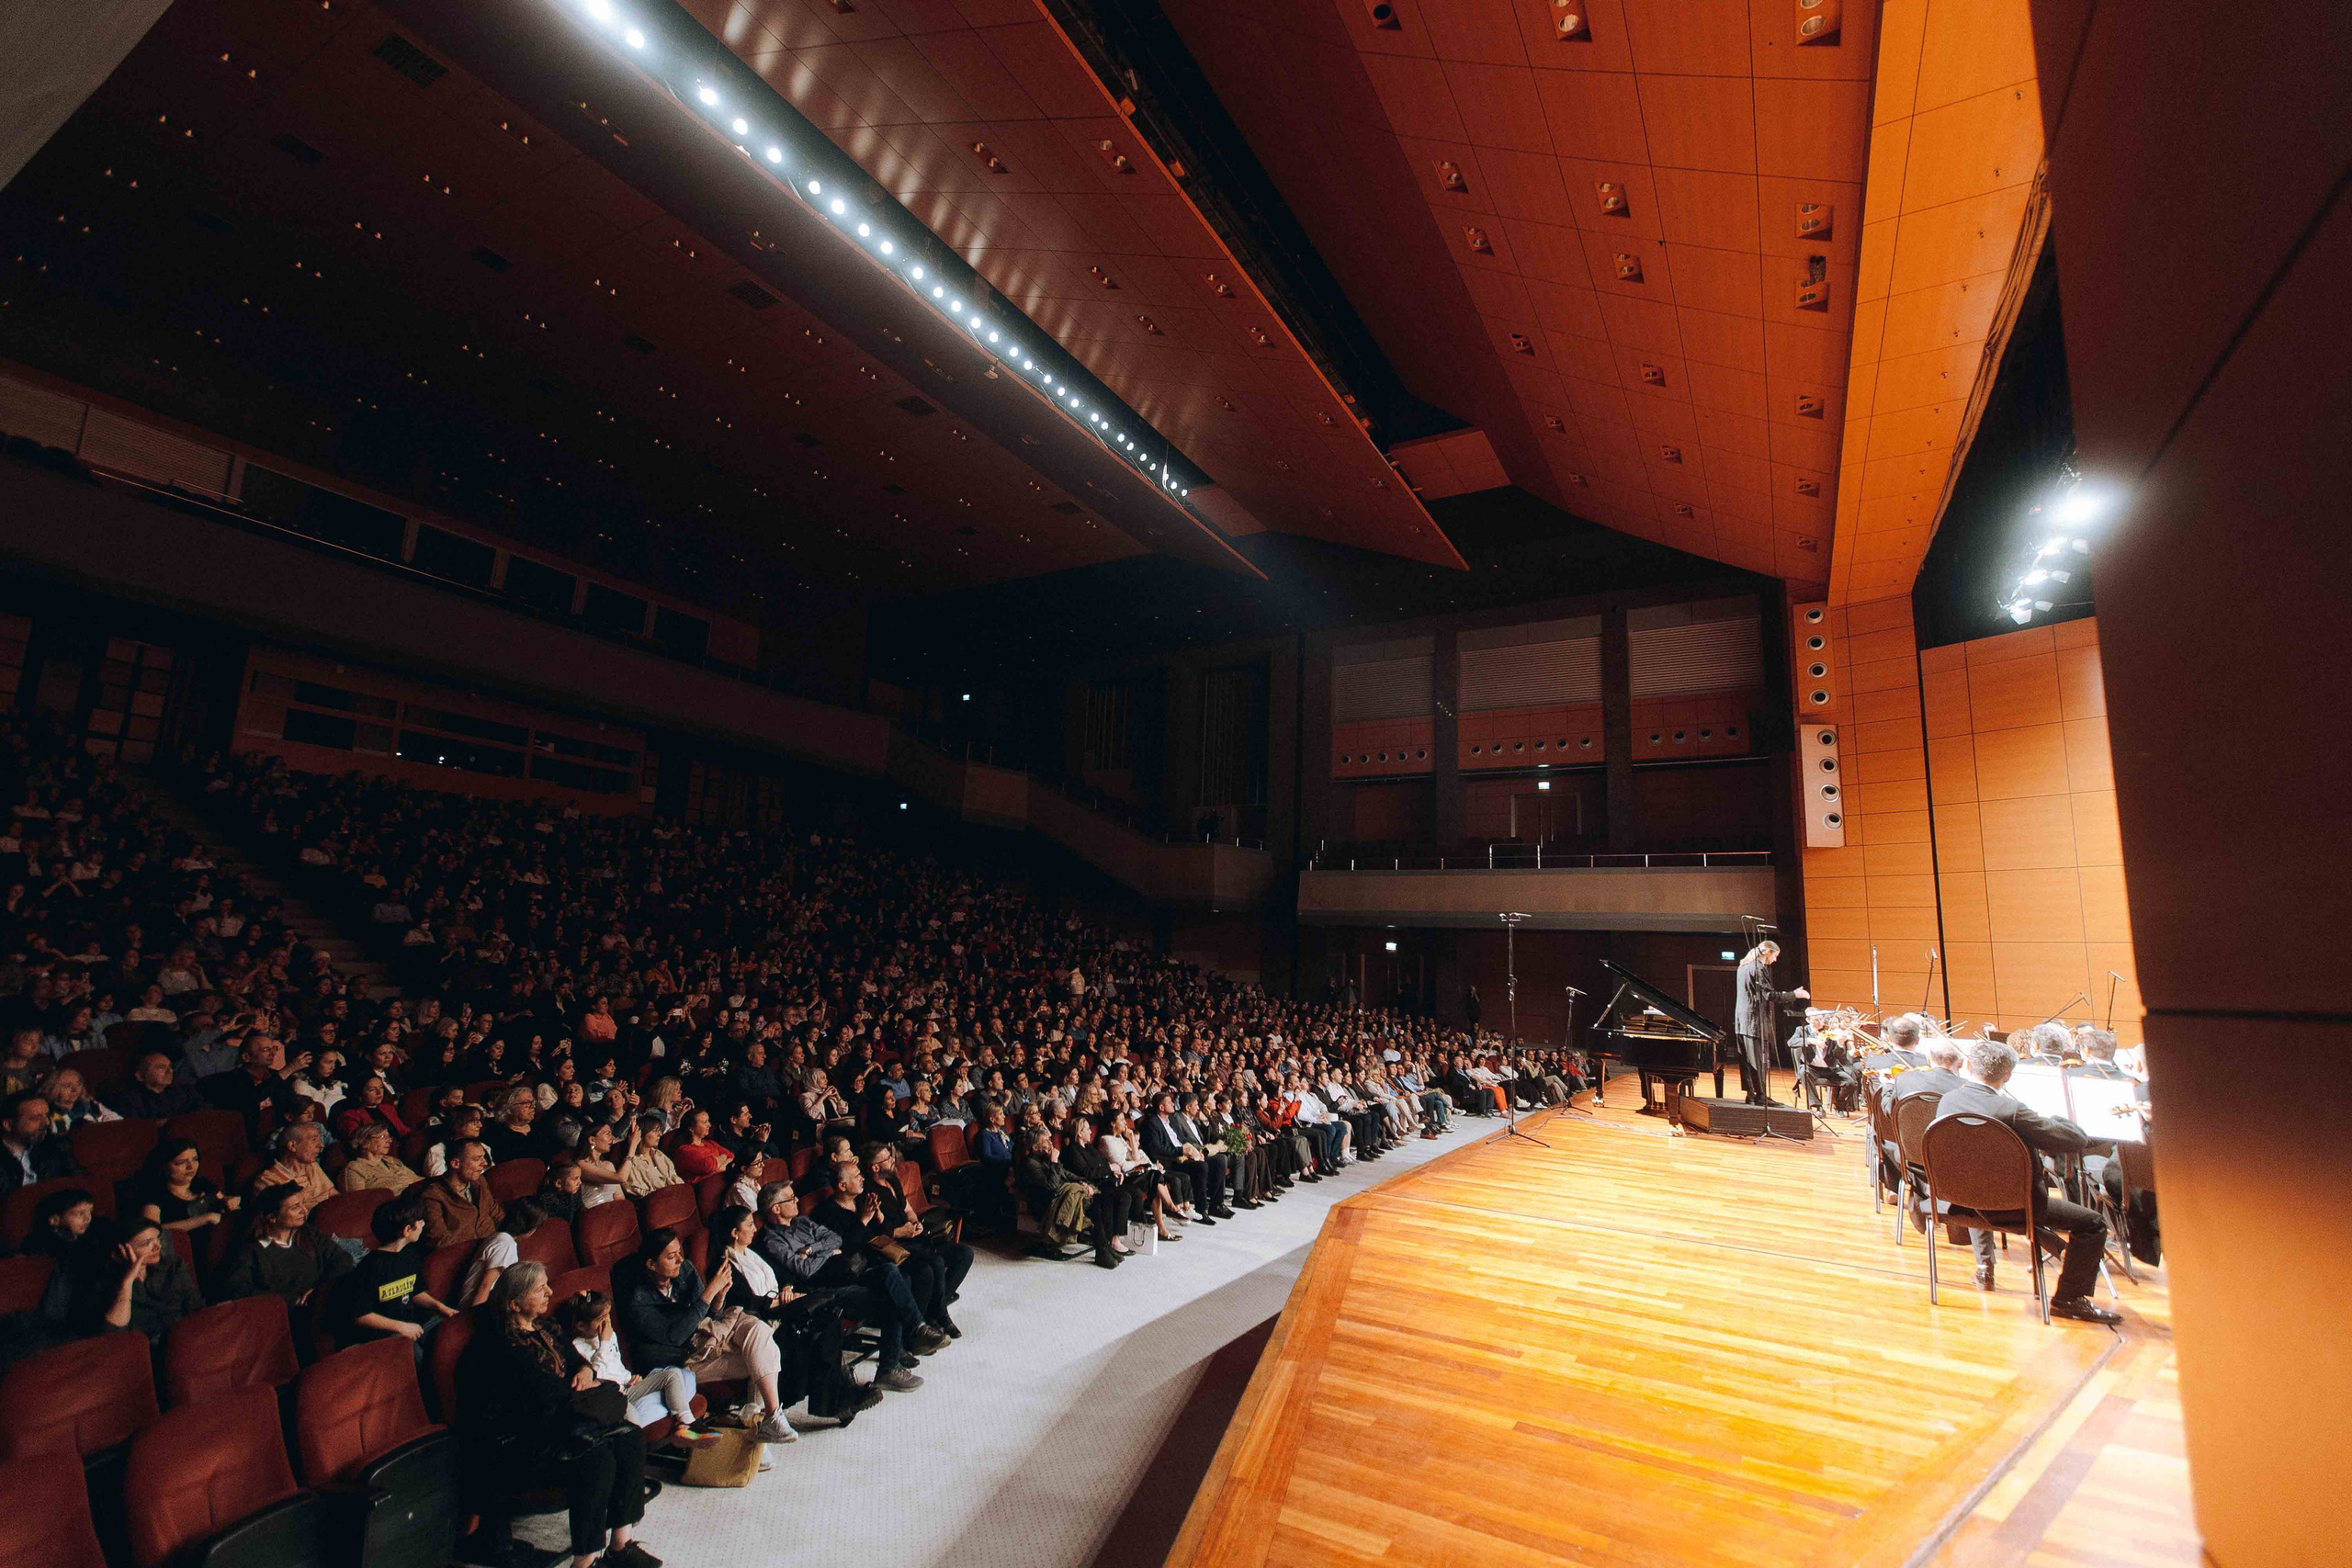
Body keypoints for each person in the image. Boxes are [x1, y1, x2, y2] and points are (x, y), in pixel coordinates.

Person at [456, 1262, 656, 1568]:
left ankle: (620, 1546)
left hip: (562, 1422)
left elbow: (577, 1362)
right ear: (515, 1303)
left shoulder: (546, 1326)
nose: (550, 1292)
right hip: (520, 1441)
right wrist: (586, 1389)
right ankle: (585, 1560)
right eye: (540, 1289)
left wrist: (587, 1371)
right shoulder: (500, 1344)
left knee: (631, 1438)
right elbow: (543, 1396)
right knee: (597, 1457)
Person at [1933, 1040, 2121, 1324]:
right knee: (2093, 1223)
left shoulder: (1949, 1100)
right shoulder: (2012, 1110)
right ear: (2007, 1076)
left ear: (1969, 1066)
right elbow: (2073, 1141)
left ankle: (2051, 1252)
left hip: (1960, 1201)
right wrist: (2057, 1117)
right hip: (2013, 1206)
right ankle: (2068, 1300)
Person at [614, 1228, 796, 1445]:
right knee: (762, 1357)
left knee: (759, 1332)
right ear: (651, 1264)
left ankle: (771, 1417)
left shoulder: (685, 1269)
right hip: (685, 1357)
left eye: (680, 1252)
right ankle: (760, 1434)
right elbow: (674, 1337)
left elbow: (711, 1313)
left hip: (709, 1331)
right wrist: (709, 1292)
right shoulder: (637, 1300)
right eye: (671, 1257)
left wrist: (718, 1298)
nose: (680, 1260)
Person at [754, 1180, 932, 1393]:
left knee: (889, 1270)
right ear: (776, 1209)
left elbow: (835, 1239)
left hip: (844, 1272)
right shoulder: (773, 1240)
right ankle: (889, 1368)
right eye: (791, 1198)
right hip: (823, 1290)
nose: (797, 1200)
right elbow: (804, 1270)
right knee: (889, 1297)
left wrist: (811, 1250)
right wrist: (827, 1252)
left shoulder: (802, 1222)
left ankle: (917, 1327)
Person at [707, 1203, 870, 1422]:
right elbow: (746, 1301)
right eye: (749, 1225)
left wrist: (787, 1288)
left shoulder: (752, 1254)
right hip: (761, 1319)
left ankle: (838, 1398)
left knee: (829, 1317)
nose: (755, 1228)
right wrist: (780, 1301)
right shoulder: (724, 1264)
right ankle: (837, 1400)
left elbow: (782, 1275)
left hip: (780, 1306)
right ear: (735, 1233)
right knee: (821, 1323)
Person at [559, 1290, 720, 1448]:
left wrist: (629, 1378)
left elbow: (616, 1366)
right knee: (634, 1422)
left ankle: (686, 1423)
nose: (607, 1323)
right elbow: (598, 1375)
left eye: (608, 1316)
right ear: (581, 1326)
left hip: (628, 1387)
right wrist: (604, 1342)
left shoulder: (610, 1334)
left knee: (672, 1374)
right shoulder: (577, 1348)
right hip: (613, 1397)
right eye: (601, 1319)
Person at [330, 1192, 458, 1357]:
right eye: (420, 1221)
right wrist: (401, 1327)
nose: (423, 1223)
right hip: (384, 1334)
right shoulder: (371, 1266)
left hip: (410, 1324)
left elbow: (415, 1292)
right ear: (407, 1230)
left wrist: (440, 1307)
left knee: (449, 1329)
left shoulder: (410, 1255)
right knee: (415, 1355)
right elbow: (360, 1315)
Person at [52, 1214, 205, 1341]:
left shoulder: (173, 1265)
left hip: (182, 1340)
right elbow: (112, 1334)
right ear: (120, 1252)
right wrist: (127, 1281)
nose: (157, 1246)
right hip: (140, 1351)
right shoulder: (102, 1282)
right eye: (146, 1243)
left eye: (157, 1239)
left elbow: (196, 1308)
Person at [218, 1182, 352, 1309]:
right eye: (295, 1207)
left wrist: (320, 1291)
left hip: (321, 1304)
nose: (304, 1210)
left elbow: (343, 1259)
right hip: (283, 1314)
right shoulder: (252, 1250)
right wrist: (292, 1300)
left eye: (303, 1204)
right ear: (272, 1217)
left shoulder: (309, 1233)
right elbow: (237, 1289)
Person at [1733, 941, 1808, 1107]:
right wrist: (1795, 995)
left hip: (1742, 1021)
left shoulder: (1743, 967)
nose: (1775, 960)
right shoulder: (1758, 968)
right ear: (1767, 952)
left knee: (1747, 1062)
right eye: (1775, 956)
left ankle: (1751, 1095)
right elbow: (1769, 995)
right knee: (1758, 1061)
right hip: (1754, 1021)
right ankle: (1760, 1096)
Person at [131, 1137, 239, 1235]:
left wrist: (228, 1201)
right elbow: (152, 1231)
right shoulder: (153, 1195)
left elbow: (222, 1199)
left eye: (195, 1159)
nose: (191, 1167)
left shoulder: (204, 1183)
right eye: (181, 1162)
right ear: (164, 1167)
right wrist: (206, 1218)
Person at [460, 1196, 549, 1307]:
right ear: (530, 1229)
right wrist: (474, 1315)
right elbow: (485, 1285)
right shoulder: (506, 1244)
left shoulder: (499, 1238)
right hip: (474, 1306)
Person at [419, 1136, 503, 1249]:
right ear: (455, 1164)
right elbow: (440, 1241)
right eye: (477, 1159)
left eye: (483, 1157)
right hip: (464, 1254)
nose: (484, 1163)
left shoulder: (480, 1181)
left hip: (496, 1246)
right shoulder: (432, 1196)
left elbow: (496, 1214)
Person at [0, 1090, 74, 1196]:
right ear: (8, 1125)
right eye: (36, 1118)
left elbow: (75, 1183)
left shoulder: (55, 1147)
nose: (46, 1123)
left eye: (47, 1116)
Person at [114, 1047, 204, 1120]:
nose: (170, 1071)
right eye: (161, 1067)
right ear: (140, 1076)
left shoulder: (185, 1092)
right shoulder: (131, 1101)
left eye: (170, 1066)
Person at [340, 1121, 420, 1194]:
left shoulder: (392, 1161)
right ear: (364, 1143)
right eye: (383, 1137)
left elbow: (417, 1180)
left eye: (389, 1137)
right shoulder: (355, 1168)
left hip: (417, 1195)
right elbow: (359, 1201)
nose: (389, 1141)